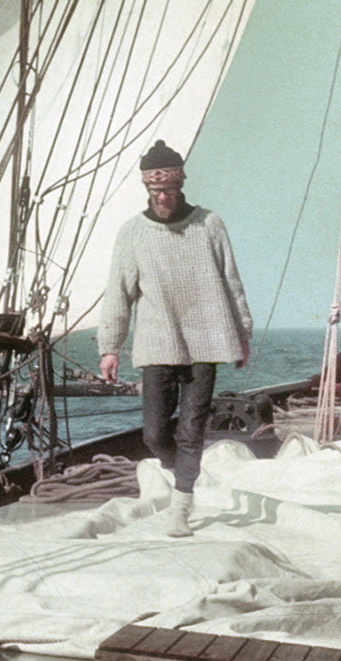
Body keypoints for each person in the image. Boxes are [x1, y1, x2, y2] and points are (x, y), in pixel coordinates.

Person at [98, 140, 252, 537]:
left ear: (181, 184)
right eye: (155, 191)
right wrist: (110, 348)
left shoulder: (209, 224)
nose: (163, 197)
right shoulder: (133, 233)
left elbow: (232, 282)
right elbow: (118, 292)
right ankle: (184, 473)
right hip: (157, 344)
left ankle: (181, 504)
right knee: (153, 433)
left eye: (168, 189)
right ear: (147, 189)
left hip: (208, 342)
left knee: (191, 428)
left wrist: (242, 334)